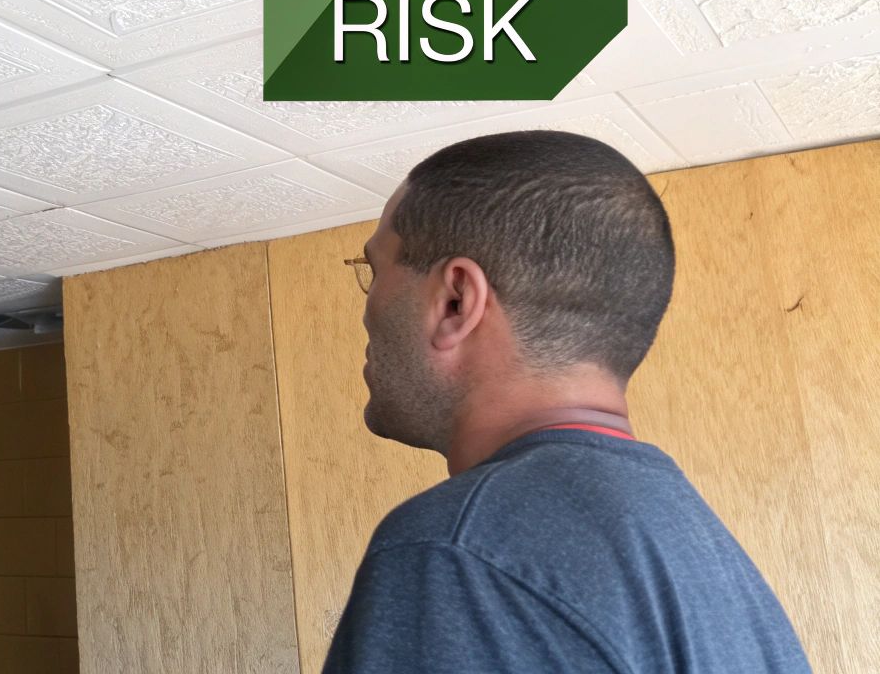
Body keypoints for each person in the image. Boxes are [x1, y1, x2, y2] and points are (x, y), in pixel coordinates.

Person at [324, 130, 810, 673]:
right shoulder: (704, 558)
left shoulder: (458, 553)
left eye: (375, 271)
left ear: (455, 301)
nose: (368, 309)